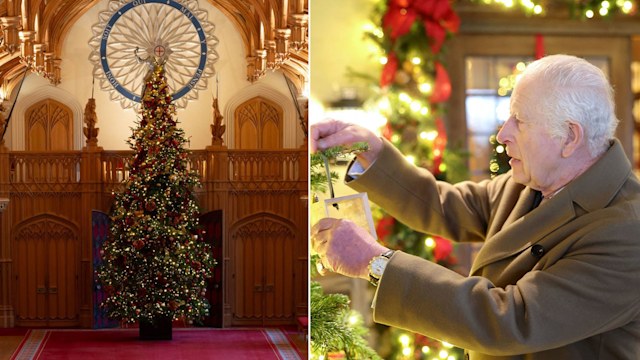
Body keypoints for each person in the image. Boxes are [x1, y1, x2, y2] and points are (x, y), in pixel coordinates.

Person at [310, 54, 640, 359]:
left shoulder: (628, 232)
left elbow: (511, 319)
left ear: (569, 137)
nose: (502, 134)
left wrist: (376, 262)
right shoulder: (534, 181)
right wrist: (374, 153)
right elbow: (445, 206)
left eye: (519, 120)